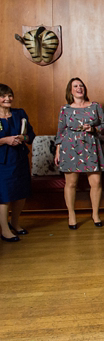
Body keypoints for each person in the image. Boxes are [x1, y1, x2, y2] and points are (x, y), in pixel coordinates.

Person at [54, 78, 104, 229]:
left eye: (81, 85)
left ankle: (95, 214)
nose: (79, 88)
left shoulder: (95, 106)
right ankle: (71, 215)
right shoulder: (65, 109)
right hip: (69, 146)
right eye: (75, 86)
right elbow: (60, 131)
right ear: (70, 90)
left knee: (96, 182)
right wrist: (58, 151)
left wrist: (94, 129)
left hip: (91, 145)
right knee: (71, 183)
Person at [0, 84, 35, 242]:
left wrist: (23, 138)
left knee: (21, 194)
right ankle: (5, 230)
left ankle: (15, 223)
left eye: (9, 95)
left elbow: (31, 136)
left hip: (19, 158)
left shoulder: (20, 113)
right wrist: (5, 140)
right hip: (2, 161)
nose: (7, 99)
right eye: (3, 96)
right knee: (4, 196)